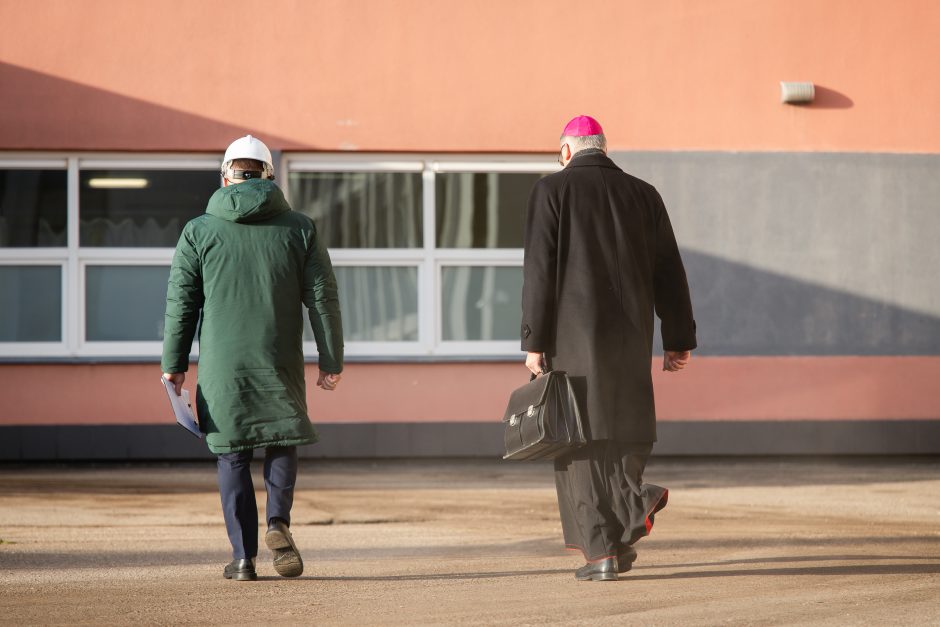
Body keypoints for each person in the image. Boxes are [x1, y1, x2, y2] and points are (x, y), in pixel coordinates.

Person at [521, 116, 696, 582]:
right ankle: (621, 540)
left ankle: (605, 545)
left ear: (565, 151)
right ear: (602, 147)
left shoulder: (551, 191)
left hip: (573, 338)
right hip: (632, 336)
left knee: (577, 440)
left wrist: (533, 341)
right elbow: (670, 271)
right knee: (624, 430)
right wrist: (678, 337)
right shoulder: (644, 194)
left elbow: (539, 269)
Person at [161, 135, 343, 582]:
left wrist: (174, 363)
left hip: (223, 364)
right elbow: (322, 297)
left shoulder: (198, 230)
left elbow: (182, 303)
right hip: (278, 356)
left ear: (225, 176)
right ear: (269, 176)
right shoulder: (299, 227)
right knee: (281, 438)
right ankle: (278, 522)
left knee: (232, 455)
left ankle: (243, 559)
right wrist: (331, 359)